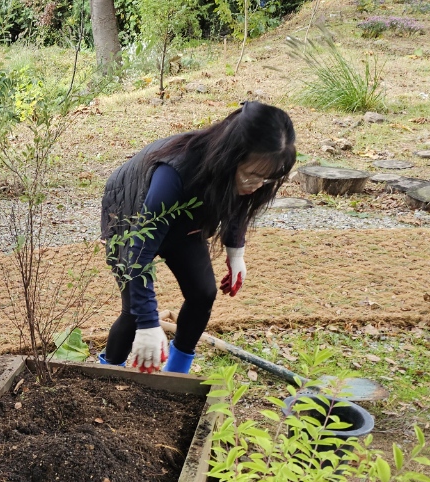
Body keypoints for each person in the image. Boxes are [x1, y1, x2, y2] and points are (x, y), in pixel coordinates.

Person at [99, 101, 296, 374]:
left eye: (267, 179)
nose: (257, 185)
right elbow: (139, 253)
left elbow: (237, 202)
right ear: (230, 157)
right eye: (252, 174)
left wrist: (235, 252)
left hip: (186, 219)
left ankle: (177, 373)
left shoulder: (245, 179)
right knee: (134, 310)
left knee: (203, 293)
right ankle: (107, 373)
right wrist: (148, 325)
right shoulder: (174, 174)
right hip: (132, 215)